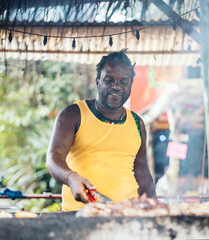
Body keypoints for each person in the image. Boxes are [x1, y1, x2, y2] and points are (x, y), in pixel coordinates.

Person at [46, 49, 156, 211]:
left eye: (123, 82)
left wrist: (154, 208)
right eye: (109, 80)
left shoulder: (137, 123)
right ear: (97, 81)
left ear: (130, 84)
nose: (116, 87)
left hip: (127, 214)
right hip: (80, 213)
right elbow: (53, 158)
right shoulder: (73, 114)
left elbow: (143, 174)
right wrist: (71, 178)